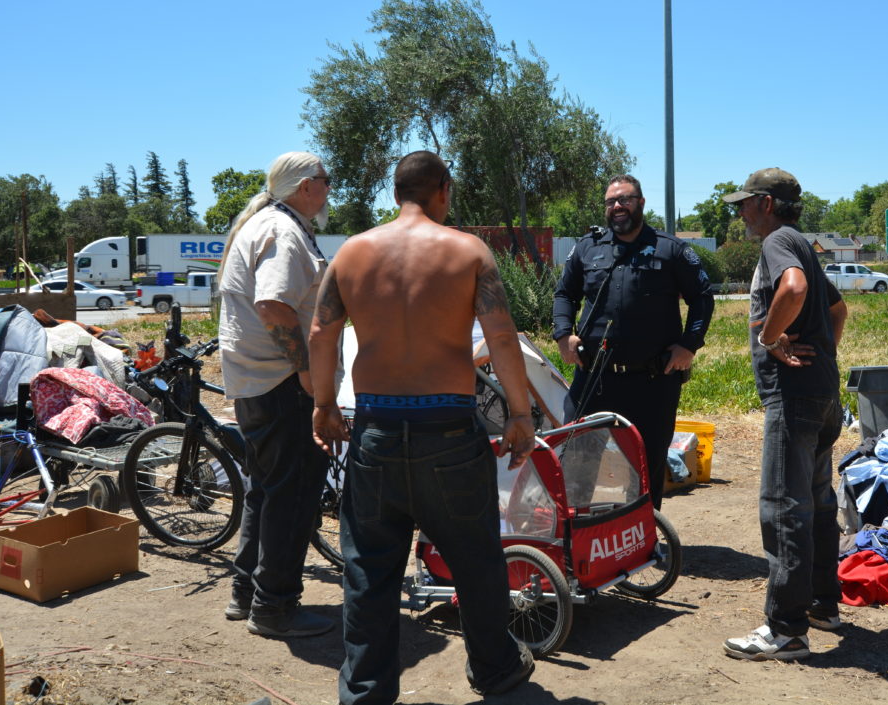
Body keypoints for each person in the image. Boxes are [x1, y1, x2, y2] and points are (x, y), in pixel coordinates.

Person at [309, 150, 537, 704]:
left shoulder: (352, 254)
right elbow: (502, 338)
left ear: (394, 194)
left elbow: (320, 334)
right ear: (444, 190)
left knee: (369, 571)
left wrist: (323, 404)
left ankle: (364, 692)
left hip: (377, 428)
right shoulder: (468, 251)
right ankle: (496, 671)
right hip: (449, 431)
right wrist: (522, 413)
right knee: (477, 561)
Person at [720, 167, 848, 661]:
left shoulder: (778, 244)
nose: (740, 213)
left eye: (744, 203)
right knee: (815, 503)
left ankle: (787, 630)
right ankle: (821, 605)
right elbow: (838, 311)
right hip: (821, 396)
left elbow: (792, 290)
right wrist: (824, 355)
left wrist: (770, 338)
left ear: (767, 204)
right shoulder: (803, 243)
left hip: (793, 401)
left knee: (783, 507)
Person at [216, 151, 335, 638]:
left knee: (266, 491)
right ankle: (275, 608)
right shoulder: (284, 232)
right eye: (326, 181)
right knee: (294, 493)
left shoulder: (270, 224)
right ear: (306, 186)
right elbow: (273, 304)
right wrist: (307, 370)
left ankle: (247, 593)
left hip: (258, 384)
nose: (330, 190)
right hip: (281, 385)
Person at [553, 175, 714, 509]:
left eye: (624, 199)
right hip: (593, 378)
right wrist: (562, 333)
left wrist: (690, 344)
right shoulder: (587, 247)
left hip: (651, 382)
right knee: (577, 457)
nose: (617, 207)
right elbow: (564, 293)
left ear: (640, 203)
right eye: (611, 201)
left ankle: (642, 536)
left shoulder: (671, 249)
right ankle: (575, 536)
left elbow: (702, 296)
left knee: (645, 463)